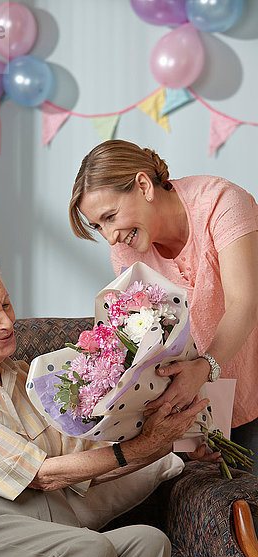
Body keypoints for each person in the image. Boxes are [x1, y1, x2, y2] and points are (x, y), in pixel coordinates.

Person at [0, 247, 207, 557]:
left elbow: (86, 460)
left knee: (149, 543)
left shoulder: (24, 377)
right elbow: (42, 474)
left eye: (5, 305)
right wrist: (142, 448)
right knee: (85, 551)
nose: (7, 322)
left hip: (55, 521)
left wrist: (177, 447)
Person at [69, 139, 258, 471]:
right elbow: (157, 347)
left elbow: (244, 302)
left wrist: (204, 367)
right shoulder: (127, 251)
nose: (110, 236)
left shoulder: (222, 203)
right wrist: (187, 440)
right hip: (218, 402)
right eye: (99, 226)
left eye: (110, 216)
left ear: (144, 186)